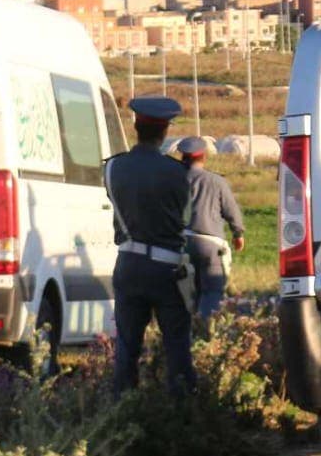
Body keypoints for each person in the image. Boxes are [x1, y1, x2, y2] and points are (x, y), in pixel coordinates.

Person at [104, 95, 195, 396]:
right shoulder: (177, 173)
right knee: (177, 346)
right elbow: (186, 216)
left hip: (128, 263)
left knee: (127, 349)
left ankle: (121, 414)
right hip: (167, 267)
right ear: (165, 131)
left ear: (135, 127)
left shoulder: (113, 168)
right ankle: (181, 415)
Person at [176, 136, 246, 339]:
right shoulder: (216, 181)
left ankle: (188, 334)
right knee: (212, 291)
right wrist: (238, 233)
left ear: (183, 157)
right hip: (210, 244)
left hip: (181, 244)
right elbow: (231, 210)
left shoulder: (173, 182)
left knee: (189, 292)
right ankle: (206, 334)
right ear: (203, 156)